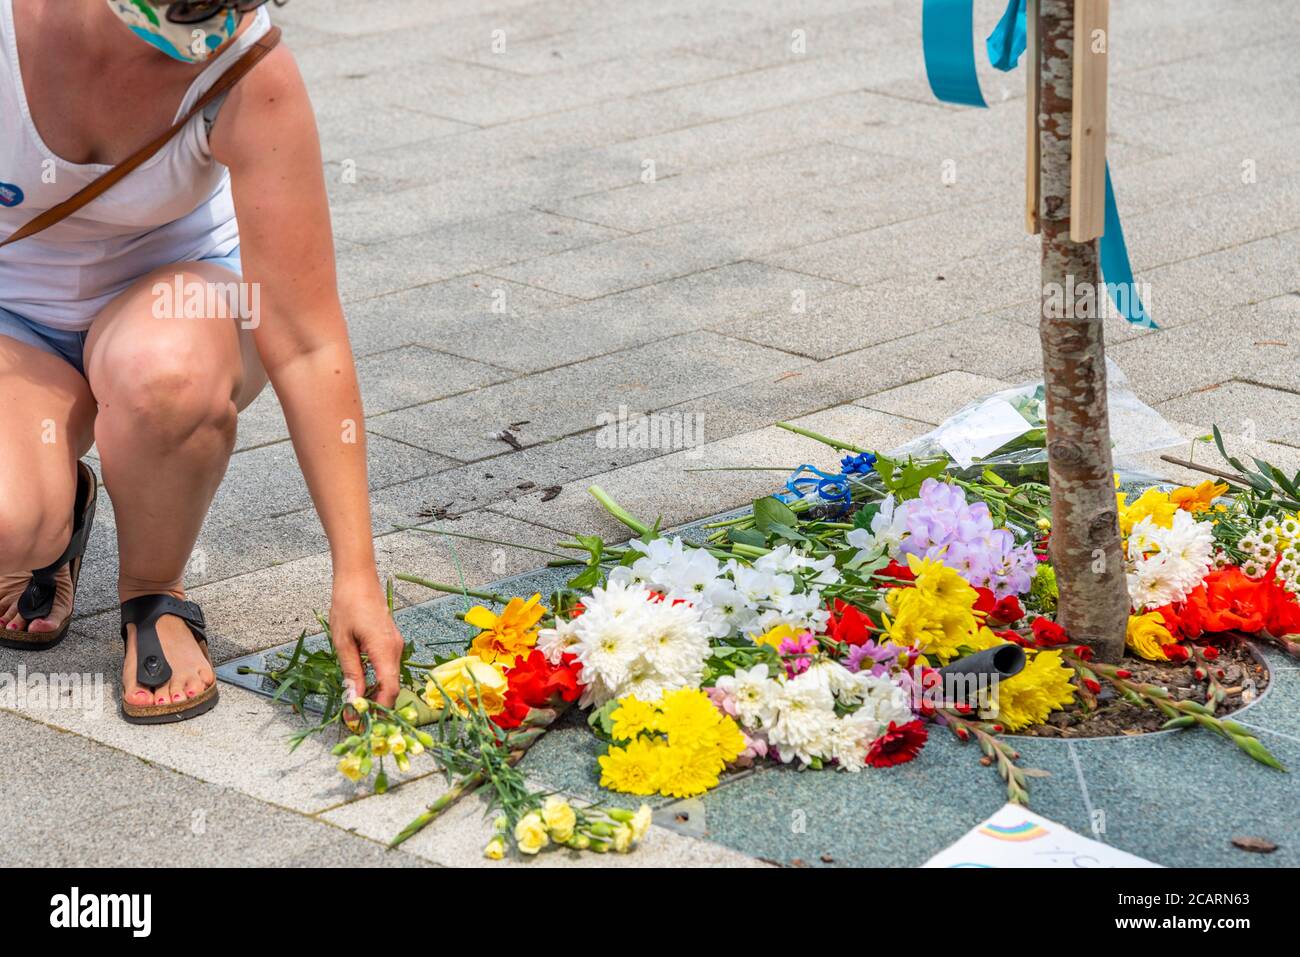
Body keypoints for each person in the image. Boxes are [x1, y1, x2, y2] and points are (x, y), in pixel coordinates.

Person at [0, 0, 404, 722]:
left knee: (166, 377)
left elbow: (308, 341)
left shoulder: (250, 70)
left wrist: (357, 575)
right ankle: (52, 510)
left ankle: (154, 591)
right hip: (12, 320)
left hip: (173, 299)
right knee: (11, 516)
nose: (208, 27)